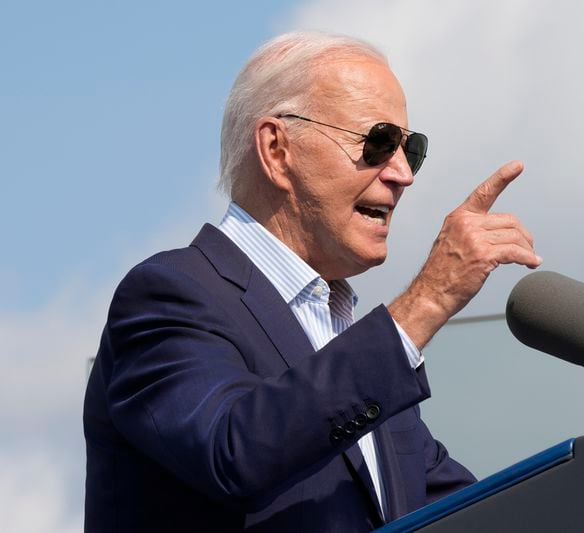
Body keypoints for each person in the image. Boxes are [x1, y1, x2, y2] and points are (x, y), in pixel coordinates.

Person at [83, 31, 541, 532]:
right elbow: (232, 450)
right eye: (379, 142)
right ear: (277, 149)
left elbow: (473, 514)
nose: (403, 173)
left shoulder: (358, 354)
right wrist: (427, 301)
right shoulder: (170, 294)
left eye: (412, 149)